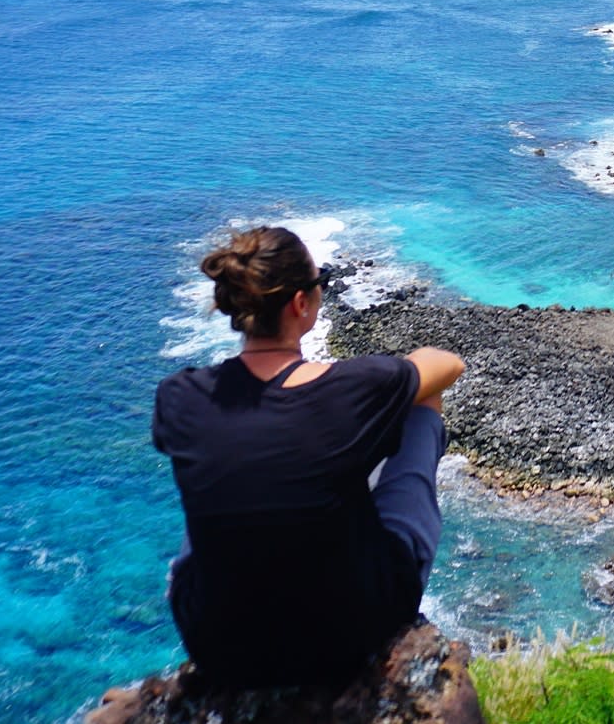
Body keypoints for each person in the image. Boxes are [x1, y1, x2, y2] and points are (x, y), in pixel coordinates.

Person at [153, 226, 465, 689]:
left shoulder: (179, 396)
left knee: (228, 478)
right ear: (302, 304)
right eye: (319, 285)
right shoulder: (354, 387)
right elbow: (447, 364)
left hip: (216, 643)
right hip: (347, 636)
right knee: (422, 405)